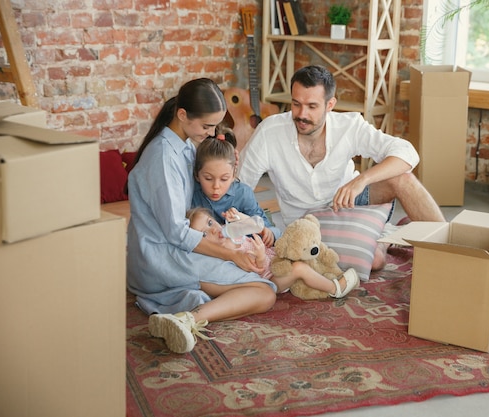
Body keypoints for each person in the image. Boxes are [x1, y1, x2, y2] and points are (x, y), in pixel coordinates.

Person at [237, 65, 445, 270]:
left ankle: (451, 252)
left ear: (330, 104)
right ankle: (383, 238)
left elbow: (407, 152)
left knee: (403, 178)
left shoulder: (349, 125)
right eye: (296, 104)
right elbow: (239, 187)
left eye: (312, 106)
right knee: (374, 262)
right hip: (307, 224)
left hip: (350, 203)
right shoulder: (269, 132)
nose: (301, 114)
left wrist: (360, 181)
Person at [126, 78, 276, 354]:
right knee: (264, 293)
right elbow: (176, 233)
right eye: (207, 127)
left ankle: (187, 310)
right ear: (182, 115)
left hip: (169, 250)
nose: (210, 134)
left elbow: (204, 188)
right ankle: (186, 320)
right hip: (160, 259)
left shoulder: (182, 145)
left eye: (214, 127)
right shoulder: (163, 156)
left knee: (253, 282)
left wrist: (226, 161)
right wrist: (229, 254)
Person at [186, 207, 359, 298]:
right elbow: (255, 269)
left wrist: (239, 217)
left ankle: (330, 272)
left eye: (210, 223)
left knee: (303, 242)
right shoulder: (225, 250)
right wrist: (260, 256)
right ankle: (335, 289)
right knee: (298, 268)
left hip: (276, 257)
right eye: (204, 234)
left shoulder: (227, 231)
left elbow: (256, 225)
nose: (213, 230)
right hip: (271, 278)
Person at [191, 128, 280, 247]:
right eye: (208, 178)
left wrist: (268, 233)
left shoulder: (242, 193)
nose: (216, 187)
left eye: (224, 179)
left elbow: (270, 228)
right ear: (196, 174)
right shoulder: (193, 195)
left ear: (233, 175)